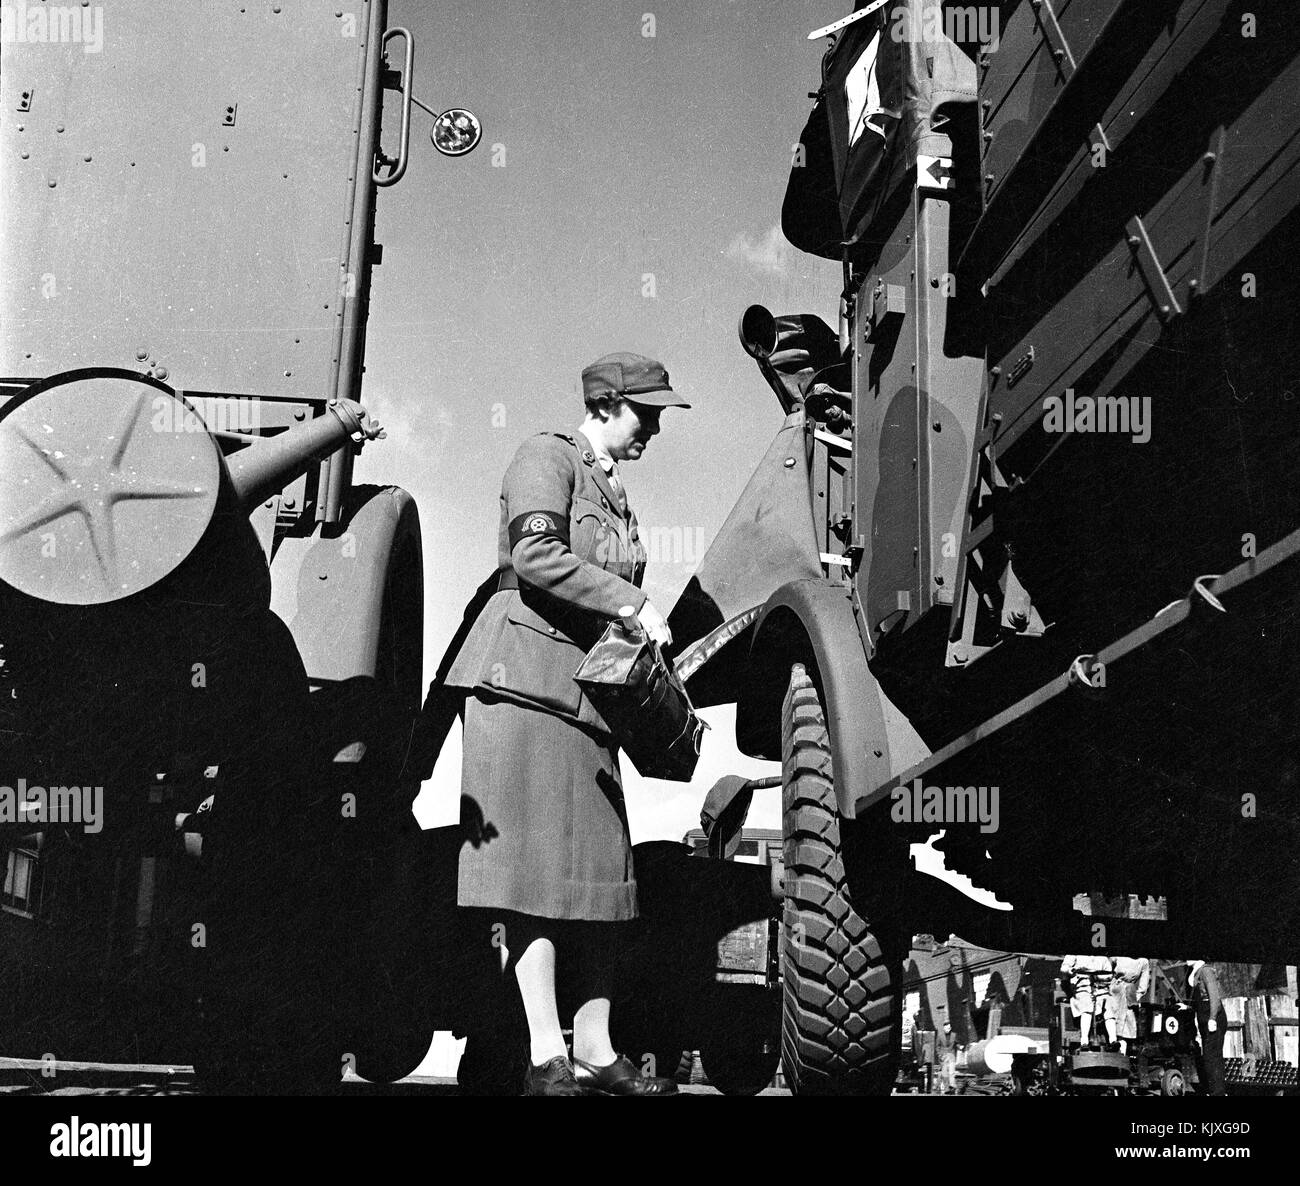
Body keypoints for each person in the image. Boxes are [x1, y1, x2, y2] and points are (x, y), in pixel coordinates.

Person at [442, 351, 690, 1096]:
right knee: (537, 878)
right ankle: (547, 1053)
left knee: (602, 878)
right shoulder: (547, 457)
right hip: (520, 687)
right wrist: (631, 600)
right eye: (647, 413)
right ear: (609, 404)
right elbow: (536, 553)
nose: (655, 428)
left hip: (589, 703)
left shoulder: (619, 498)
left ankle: (596, 1046)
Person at [1188, 960, 1227, 1096]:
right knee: (1209, 1057)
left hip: (1212, 1014)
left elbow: (1214, 996)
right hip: (1203, 1014)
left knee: (1212, 1057)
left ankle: (1218, 1093)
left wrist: (1212, 1018)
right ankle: (1214, 1091)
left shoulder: (1205, 971)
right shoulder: (1195, 972)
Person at [1060, 953, 1113, 1048]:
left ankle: (1113, 1040)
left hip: (1099, 989)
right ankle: (1084, 1040)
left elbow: (1109, 973)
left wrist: (1101, 977)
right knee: (1087, 1006)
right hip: (1082, 987)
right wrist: (1071, 971)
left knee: (1109, 1006)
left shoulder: (1103, 957)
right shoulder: (1074, 954)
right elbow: (1064, 968)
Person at [1107, 956, 1150, 1053]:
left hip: (1129, 994)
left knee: (1126, 1025)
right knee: (1111, 1017)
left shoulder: (1143, 961)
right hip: (1114, 990)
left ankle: (1122, 1053)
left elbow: (1144, 984)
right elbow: (1107, 970)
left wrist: (1136, 996)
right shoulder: (1116, 957)